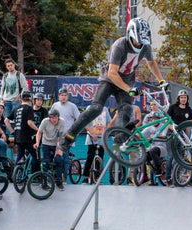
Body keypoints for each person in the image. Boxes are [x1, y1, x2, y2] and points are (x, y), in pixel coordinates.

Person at [58, 17, 167, 153]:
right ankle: (68, 137)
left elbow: (151, 63)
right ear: (131, 34)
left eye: (142, 42)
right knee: (96, 108)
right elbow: (112, 73)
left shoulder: (145, 47)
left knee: (127, 109)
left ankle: (119, 141)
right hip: (110, 80)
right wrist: (129, 90)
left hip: (127, 81)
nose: (139, 45)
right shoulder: (119, 45)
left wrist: (161, 80)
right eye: (138, 41)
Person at [4, 91, 39, 173]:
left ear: (21, 98)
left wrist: (13, 132)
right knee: (34, 156)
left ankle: (15, 175)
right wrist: (38, 130)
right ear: (30, 99)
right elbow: (30, 123)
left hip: (18, 136)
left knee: (20, 155)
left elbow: (6, 120)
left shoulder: (16, 108)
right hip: (27, 137)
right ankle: (35, 175)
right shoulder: (29, 108)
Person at [50, 88, 81, 182]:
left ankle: (64, 177)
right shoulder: (55, 105)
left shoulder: (72, 106)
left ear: (68, 96)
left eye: (65, 95)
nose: (63, 97)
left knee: (65, 157)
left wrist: (75, 132)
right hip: (56, 135)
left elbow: (79, 120)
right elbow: (50, 118)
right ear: (59, 96)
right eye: (62, 95)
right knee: (55, 156)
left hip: (67, 136)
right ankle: (56, 175)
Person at [166, 89, 192, 187]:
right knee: (170, 157)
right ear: (178, 98)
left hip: (182, 137)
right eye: (181, 97)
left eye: (185, 97)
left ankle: (176, 179)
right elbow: (168, 122)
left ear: (187, 98)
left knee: (179, 158)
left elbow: (188, 125)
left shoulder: (189, 110)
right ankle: (168, 179)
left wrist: (187, 138)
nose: (183, 99)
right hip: (172, 135)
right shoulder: (172, 107)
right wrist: (173, 129)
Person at [34, 109, 66, 191]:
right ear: (49, 118)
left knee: (58, 160)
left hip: (56, 143)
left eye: (56, 118)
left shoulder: (62, 122)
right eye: (52, 118)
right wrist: (37, 143)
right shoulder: (45, 121)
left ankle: (59, 181)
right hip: (46, 143)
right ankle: (44, 182)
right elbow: (39, 132)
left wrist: (58, 150)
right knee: (46, 162)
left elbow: (60, 137)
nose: (54, 120)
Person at [82, 106, 112, 184]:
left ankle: (98, 178)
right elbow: (85, 123)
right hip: (92, 137)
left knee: (101, 157)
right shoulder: (89, 108)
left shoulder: (105, 109)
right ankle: (85, 176)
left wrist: (106, 132)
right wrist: (92, 133)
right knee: (90, 156)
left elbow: (109, 122)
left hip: (102, 137)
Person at [142, 111, 168, 177]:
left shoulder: (163, 126)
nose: (154, 120)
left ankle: (158, 169)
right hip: (151, 148)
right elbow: (141, 135)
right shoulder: (149, 127)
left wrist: (154, 136)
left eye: (155, 119)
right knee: (143, 156)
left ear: (159, 119)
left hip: (162, 148)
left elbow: (164, 136)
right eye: (152, 119)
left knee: (153, 151)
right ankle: (144, 176)